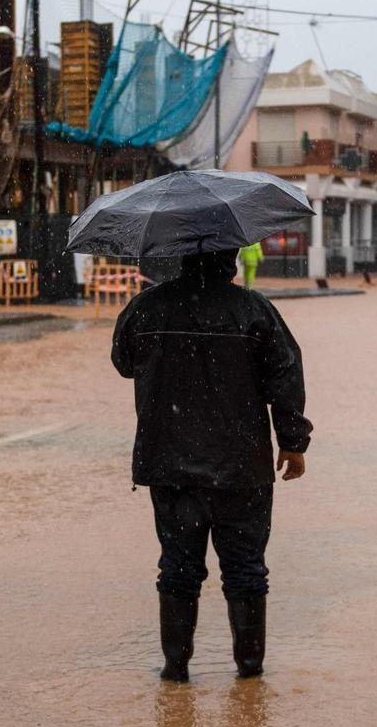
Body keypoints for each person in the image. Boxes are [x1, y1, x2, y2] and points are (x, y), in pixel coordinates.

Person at [112, 249, 313, 682]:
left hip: (169, 463)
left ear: (182, 255)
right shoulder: (254, 309)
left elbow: (123, 363)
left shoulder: (146, 307)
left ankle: (175, 670)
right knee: (244, 569)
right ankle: (249, 672)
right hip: (241, 467)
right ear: (232, 257)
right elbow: (286, 375)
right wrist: (293, 443)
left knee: (178, 567)